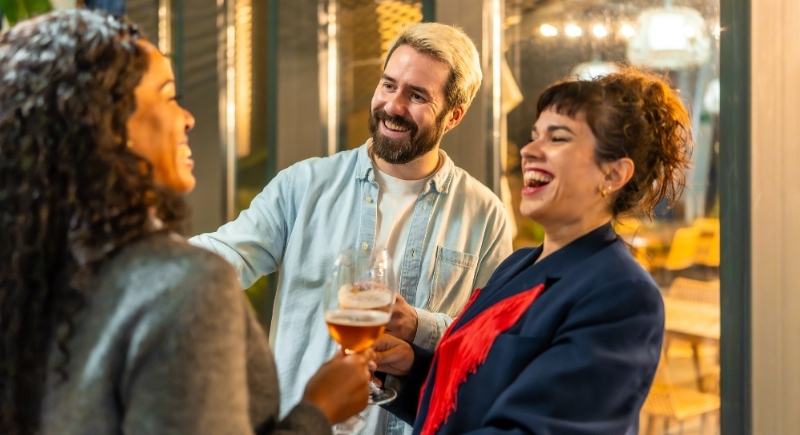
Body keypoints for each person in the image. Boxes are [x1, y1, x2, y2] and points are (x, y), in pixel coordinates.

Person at [0, 9, 371, 435]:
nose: (187, 118)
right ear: (108, 126)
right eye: (169, 97)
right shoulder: (186, 285)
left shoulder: (29, 267)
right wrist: (318, 410)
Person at [190, 22, 513, 435]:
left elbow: (494, 339)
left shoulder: (486, 213)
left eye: (416, 96)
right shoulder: (304, 184)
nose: (393, 106)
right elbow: (227, 255)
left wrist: (419, 326)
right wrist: (139, 261)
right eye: (388, 85)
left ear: (454, 116)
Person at [373, 68, 692, 435]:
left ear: (613, 174)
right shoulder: (519, 263)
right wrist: (409, 370)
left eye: (557, 138)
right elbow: (483, 391)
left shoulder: (622, 294)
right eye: (534, 136)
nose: (528, 151)